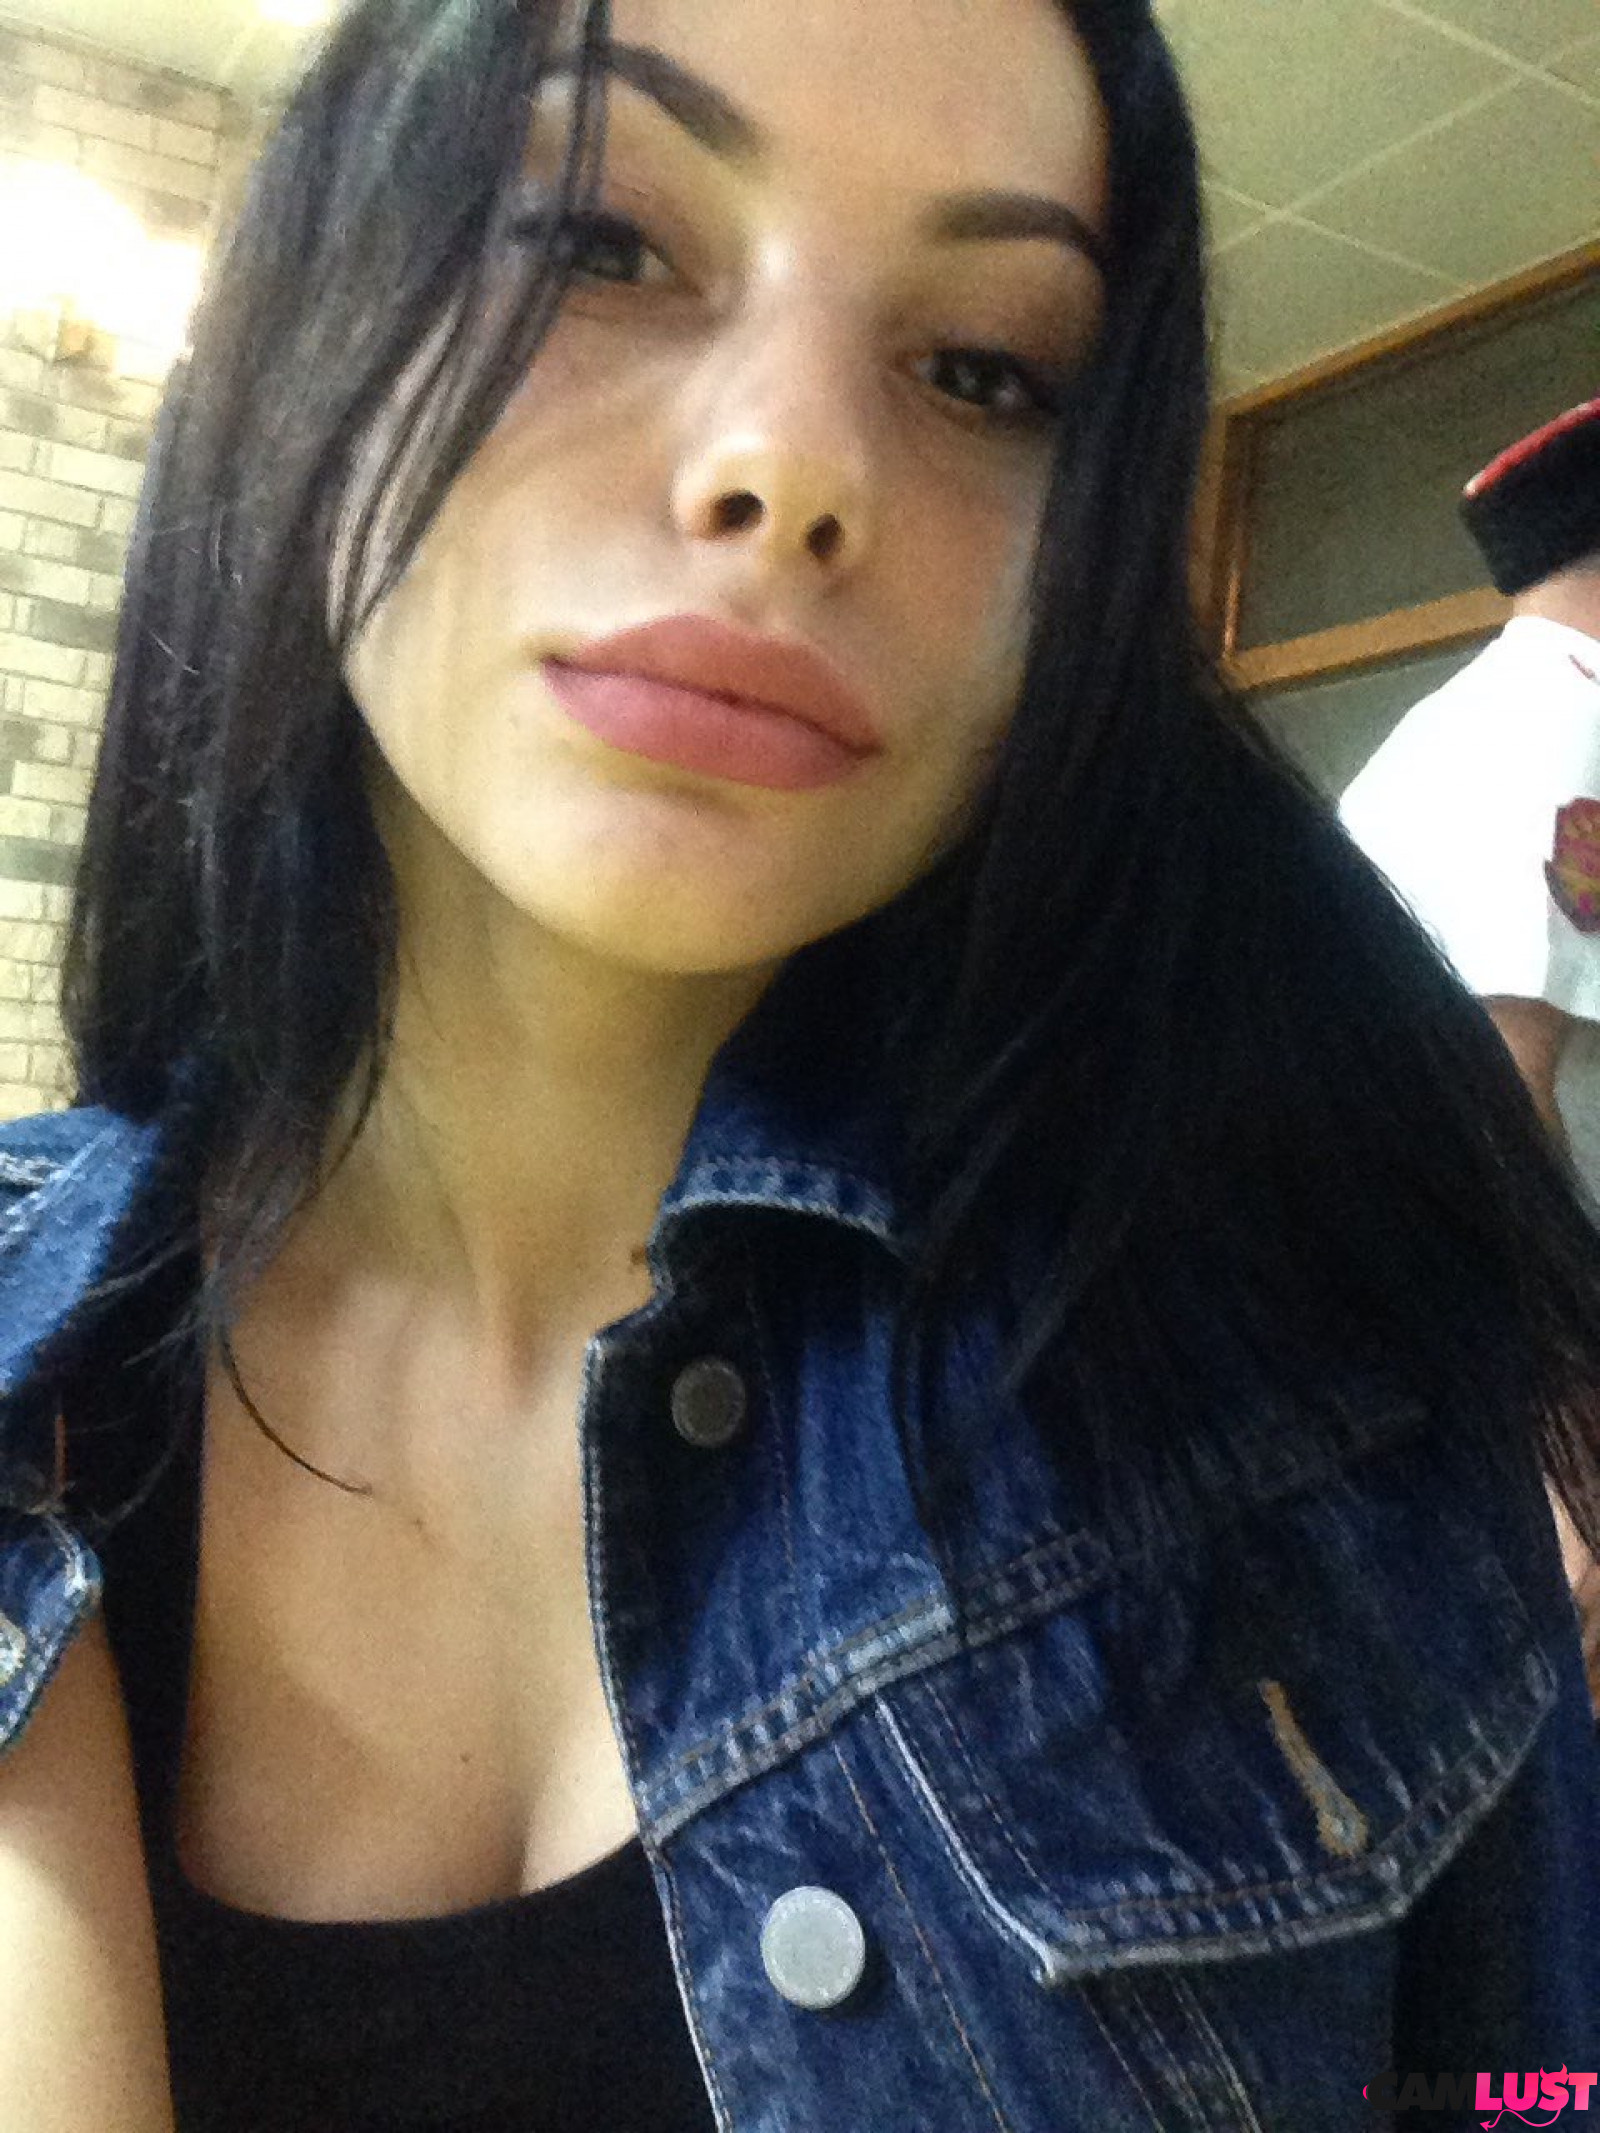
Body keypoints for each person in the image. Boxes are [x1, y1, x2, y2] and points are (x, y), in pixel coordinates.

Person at [2, 1, 1599, 2127]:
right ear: (311, 320)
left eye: (981, 371)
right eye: (598, 243)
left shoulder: (1335, 1389)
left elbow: (1526, 2094)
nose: (795, 469)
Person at [1341, 398, 1600, 1709]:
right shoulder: (1560, 729)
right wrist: (1569, 1455)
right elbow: (1494, 1094)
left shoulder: (1467, 721)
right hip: (1492, 1392)